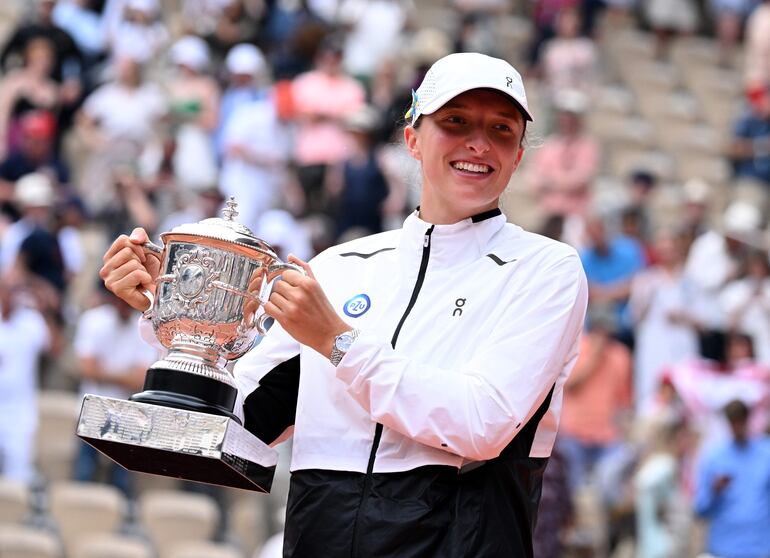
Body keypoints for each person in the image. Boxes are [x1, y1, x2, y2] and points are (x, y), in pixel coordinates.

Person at [100, 52, 588, 557]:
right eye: (455, 121)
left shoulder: (546, 269)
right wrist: (178, 311)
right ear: (413, 140)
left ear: (519, 156)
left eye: (502, 129)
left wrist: (338, 343)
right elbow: (242, 423)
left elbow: (481, 424)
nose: (479, 143)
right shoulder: (340, 266)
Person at [694, 399, 770, 558]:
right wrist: (714, 490)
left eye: (740, 421)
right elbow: (700, 509)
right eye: (733, 422)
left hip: (760, 547)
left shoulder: (766, 453)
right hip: (724, 547)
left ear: (747, 420)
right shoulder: (714, 457)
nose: (737, 427)